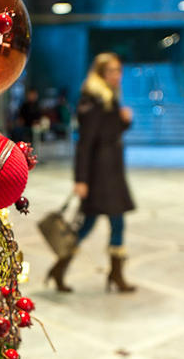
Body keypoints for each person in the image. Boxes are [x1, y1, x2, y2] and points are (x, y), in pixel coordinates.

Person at [47, 52, 136, 293]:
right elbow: (85, 143)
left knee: (108, 223)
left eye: (119, 70)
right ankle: (108, 275)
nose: (117, 75)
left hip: (111, 172)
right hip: (99, 175)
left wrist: (125, 120)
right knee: (92, 225)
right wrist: (81, 180)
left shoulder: (108, 98)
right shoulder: (93, 100)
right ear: (100, 74)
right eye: (111, 71)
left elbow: (111, 131)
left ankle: (106, 274)